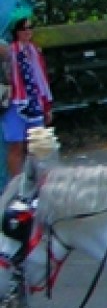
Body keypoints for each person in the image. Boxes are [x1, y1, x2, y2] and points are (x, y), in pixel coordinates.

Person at [3, 14, 54, 183]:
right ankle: (16, 184)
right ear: (16, 32)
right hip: (15, 103)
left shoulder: (35, 51)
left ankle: (41, 183)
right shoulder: (9, 50)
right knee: (16, 145)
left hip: (35, 102)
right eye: (24, 29)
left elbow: (42, 79)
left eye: (30, 28)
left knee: (38, 146)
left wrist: (47, 106)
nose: (28, 32)